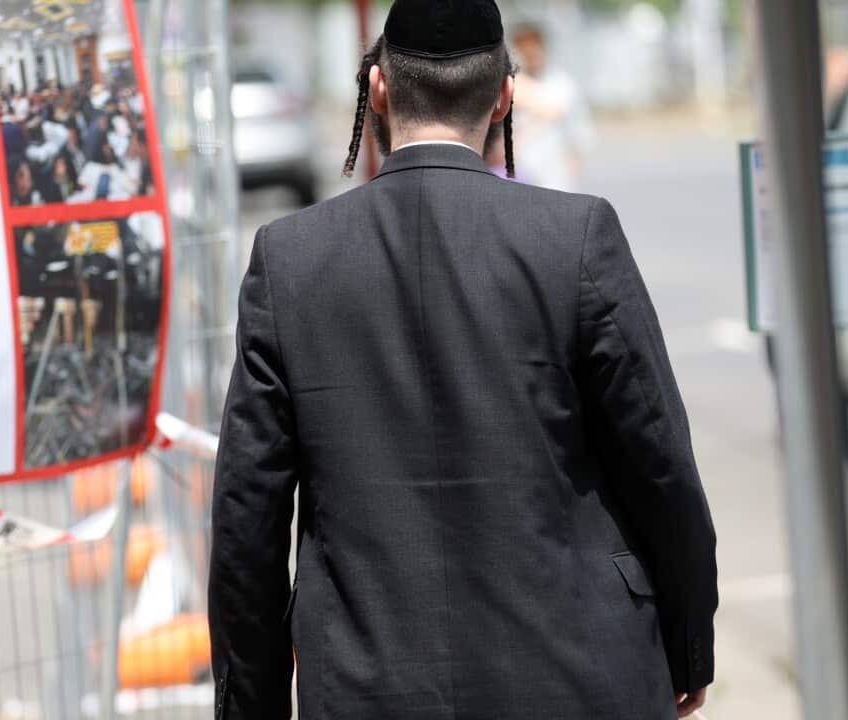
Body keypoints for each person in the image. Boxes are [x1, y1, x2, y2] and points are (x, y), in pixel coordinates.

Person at [206, 1, 718, 719]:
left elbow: (246, 516)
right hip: (579, 679)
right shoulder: (573, 237)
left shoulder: (290, 259)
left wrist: (250, 703)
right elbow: (661, 465)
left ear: (378, 89)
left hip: (369, 686)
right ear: (505, 95)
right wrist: (689, 642)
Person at [510, 21, 595, 191]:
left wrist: (571, 167)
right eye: (523, 49)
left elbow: (579, 133)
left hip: (554, 179)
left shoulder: (562, 85)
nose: (528, 54)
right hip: (519, 178)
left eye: (532, 48)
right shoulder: (510, 84)